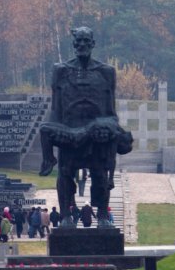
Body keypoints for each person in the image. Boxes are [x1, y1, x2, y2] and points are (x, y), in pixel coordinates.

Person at [38, 27, 134, 228]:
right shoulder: (61, 70)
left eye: (85, 41)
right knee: (64, 172)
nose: (82, 45)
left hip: (97, 136)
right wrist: (54, 131)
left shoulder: (106, 72)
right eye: (78, 41)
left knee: (100, 174)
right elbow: (56, 109)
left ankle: (102, 216)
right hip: (69, 134)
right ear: (74, 44)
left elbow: (110, 111)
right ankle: (65, 215)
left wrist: (111, 128)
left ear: (92, 44)